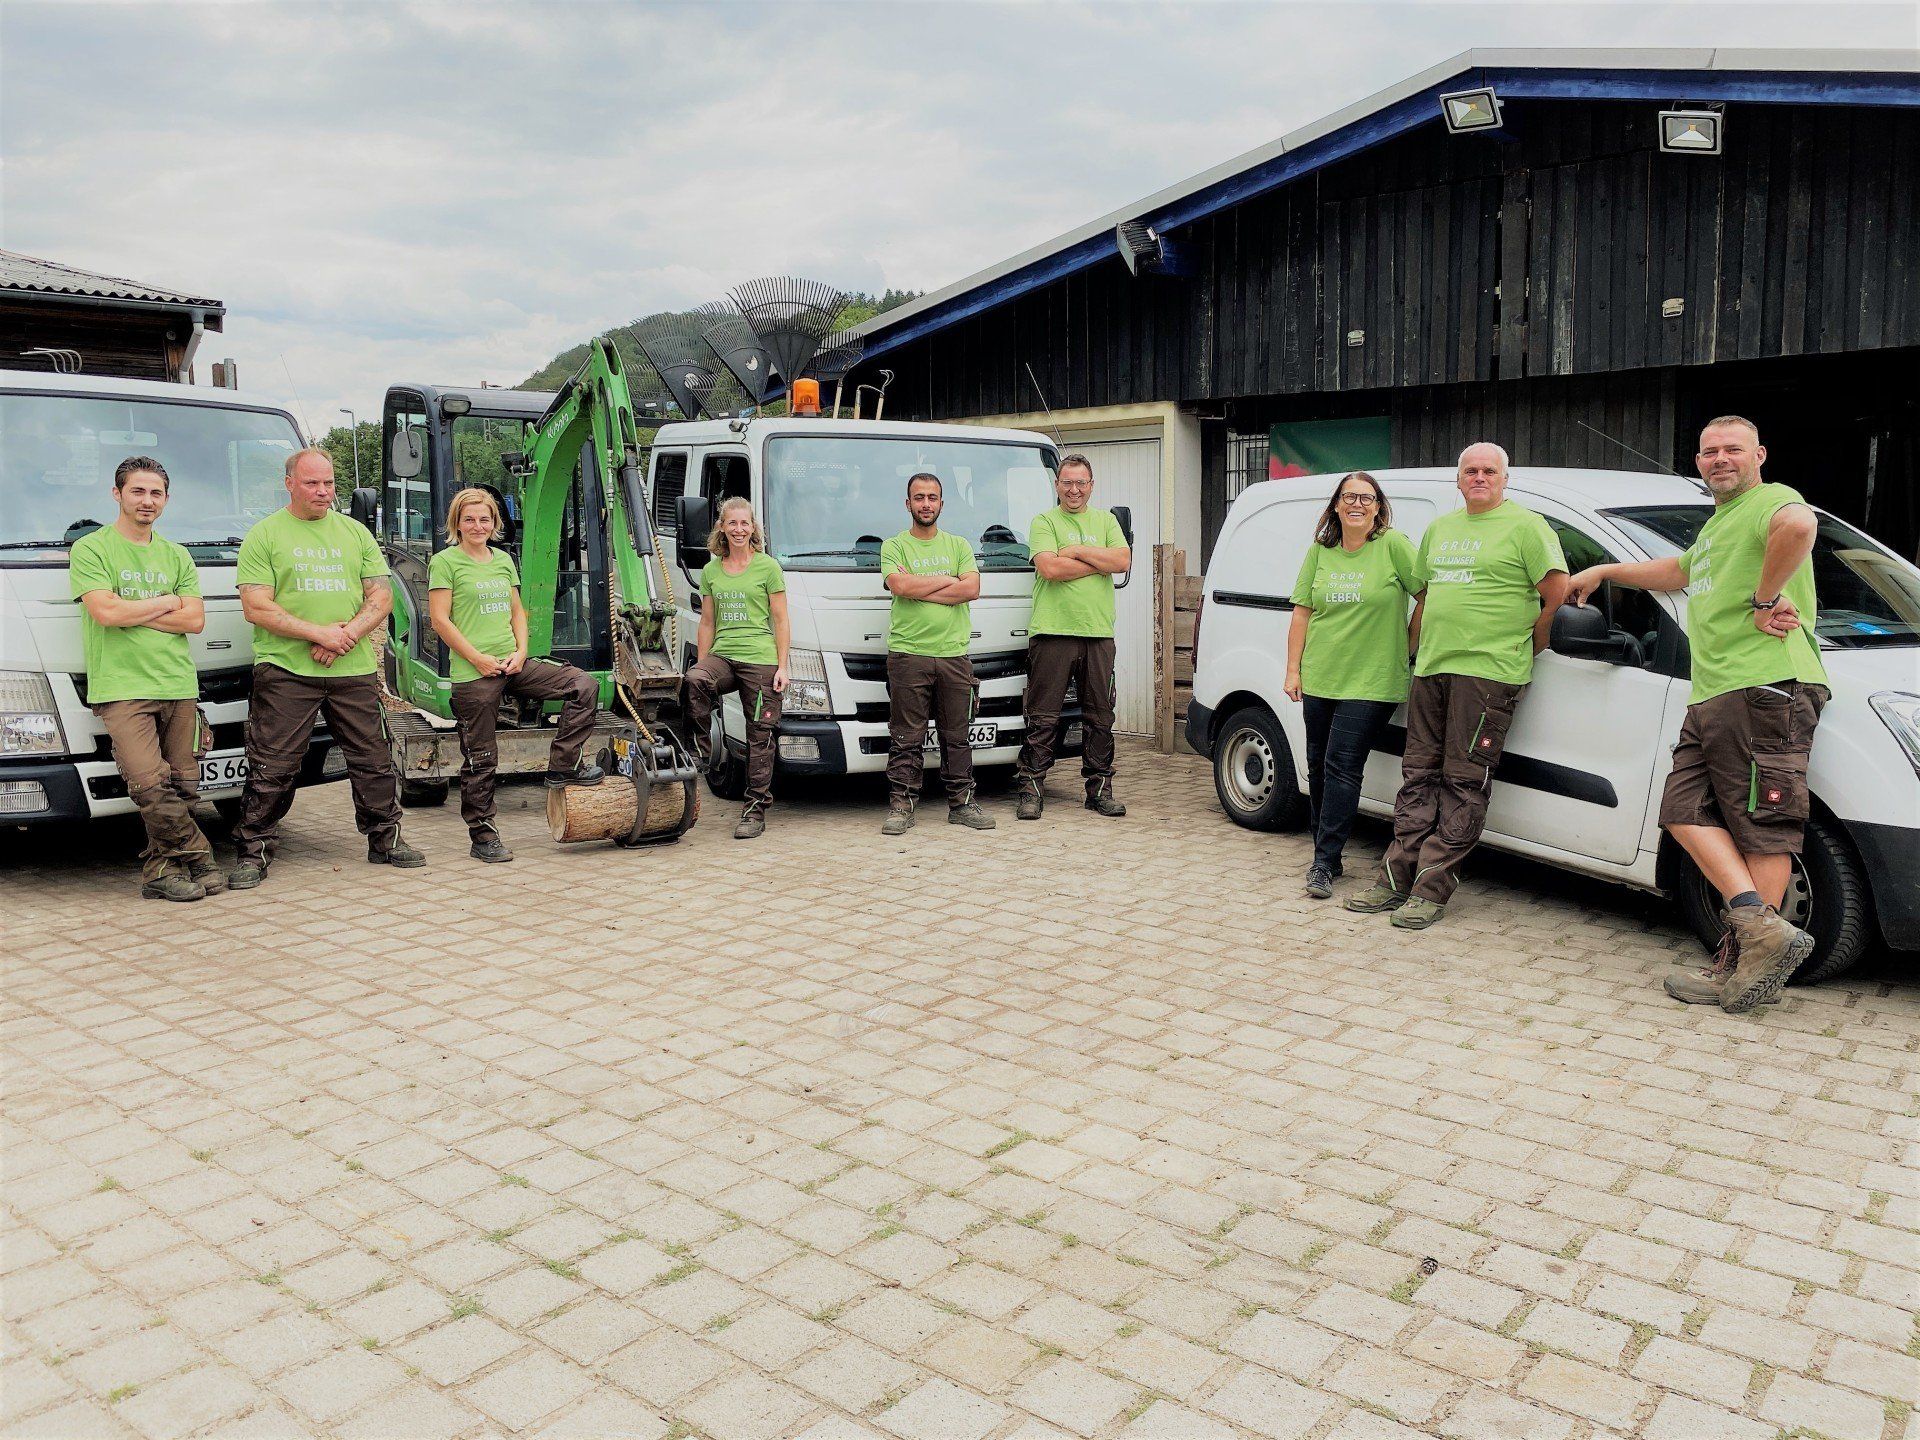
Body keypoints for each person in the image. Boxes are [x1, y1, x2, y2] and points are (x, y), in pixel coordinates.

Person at [1566, 417, 1828, 1012]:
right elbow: (1678, 573)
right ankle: (1759, 928)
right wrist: (1606, 571)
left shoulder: (1772, 501)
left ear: (1760, 454)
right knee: (1682, 809)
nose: (1720, 460)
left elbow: (1800, 525)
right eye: (1709, 452)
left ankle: (1738, 966)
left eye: (1732, 450)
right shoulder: (1717, 526)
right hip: (1716, 690)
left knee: (1762, 824)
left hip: (1767, 683)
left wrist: (1764, 599)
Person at [1346, 442, 1568, 929]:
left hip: (1488, 675)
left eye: (1490, 470)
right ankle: (1394, 878)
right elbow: (1426, 598)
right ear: (1459, 479)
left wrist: (1528, 649)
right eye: (1471, 470)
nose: (1480, 477)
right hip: (1431, 669)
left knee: (1464, 781)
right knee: (1417, 773)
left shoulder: (1527, 527)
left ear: (1505, 478)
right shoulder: (1440, 528)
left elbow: (1555, 594)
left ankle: (1432, 888)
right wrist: (1412, 652)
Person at [228, 448, 423, 887]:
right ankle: (253, 850)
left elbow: (380, 597)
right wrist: (318, 633)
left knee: (373, 758)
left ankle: (385, 839)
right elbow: (256, 606)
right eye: (312, 483)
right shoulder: (264, 535)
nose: (323, 491)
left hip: (351, 668)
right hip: (285, 670)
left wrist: (345, 635)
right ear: (289, 483)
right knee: (273, 763)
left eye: (329, 483)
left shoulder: (354, 533)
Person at [68, 456, 221, 901]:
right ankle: (200, 856)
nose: (147, 500)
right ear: (117, 494)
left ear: (166, 500)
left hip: (177, 683)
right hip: (121, 687)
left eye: (156, 493)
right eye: (137, 491)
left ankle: (160, 872)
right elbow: (105, 612)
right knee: (149, 784)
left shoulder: (177, 554)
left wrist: (138, 611)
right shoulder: (92, 549)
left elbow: (194, 621)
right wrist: (166, 602)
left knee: (183, 784)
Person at [430, 487, 604, 865]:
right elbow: (439, 619)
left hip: (513, 663)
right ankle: (483, 836)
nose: (478, 525)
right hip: (473, 673)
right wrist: (477, 659)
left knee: (583, 685)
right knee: (481, 758)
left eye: (485, 519)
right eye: (470, 519)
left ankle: (562, 767)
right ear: (457, 523)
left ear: (495, 523)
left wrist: (522, 652)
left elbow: (517, 612)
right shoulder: (445, 562)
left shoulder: (503, 560)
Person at [1284, 472, 1419, 899]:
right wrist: (1293, 669)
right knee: (1319, 765)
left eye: (1366, 497)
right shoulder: (1320, 552)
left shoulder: (1394, 547)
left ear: (1379, 506)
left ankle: (1323, 862)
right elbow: (1303, 612)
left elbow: (1430, 594)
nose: (1357, 504)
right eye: (1349, 497)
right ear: (1337, 506)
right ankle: (1329, 854)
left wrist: (1408, 644)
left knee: (1343, 765)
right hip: (1322, 674)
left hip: (1372, 681)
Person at [1015, 454, 1131, 821]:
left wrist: (1078, 552)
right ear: (1057, 485)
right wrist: (1099, 563)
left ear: (1091, 486)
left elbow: (1123, 561)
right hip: (1053, 633)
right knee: (1043, 717)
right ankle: (1031, 790)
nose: (1075, 489)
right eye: (1068, 482)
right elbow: (1049, 568)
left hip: (1098, 633)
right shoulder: (1044, 521)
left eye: (1082, 483)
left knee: (1100, 717)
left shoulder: (1107, 521)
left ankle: (1099, 791)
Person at [880, 473, 994, 835]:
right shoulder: (894, 546)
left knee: (957, 736)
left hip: (953, 655)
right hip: (908, 654)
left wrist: (918, 588)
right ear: (908, 503)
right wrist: (949, 581)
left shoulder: (959, 545)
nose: (926, 503)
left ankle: (961, 803)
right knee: (905, 736)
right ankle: (902, 805)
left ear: (942, 504)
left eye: (932, 497)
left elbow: (972, 589)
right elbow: (898, 584)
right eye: (919, 497)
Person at [685, 497, 788, 840]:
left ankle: (754, 810)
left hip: (760, 659)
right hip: (724, 657)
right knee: (694, 680)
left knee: (759, 736)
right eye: (733, 523)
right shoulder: (712, 570)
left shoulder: (768, 567)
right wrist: (703, 664)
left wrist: (782, 666)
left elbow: (781, 619)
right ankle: (704, 752)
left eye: (745, 524)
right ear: (722, 528)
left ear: (753, 528)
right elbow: (707, 622)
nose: (739, 529)